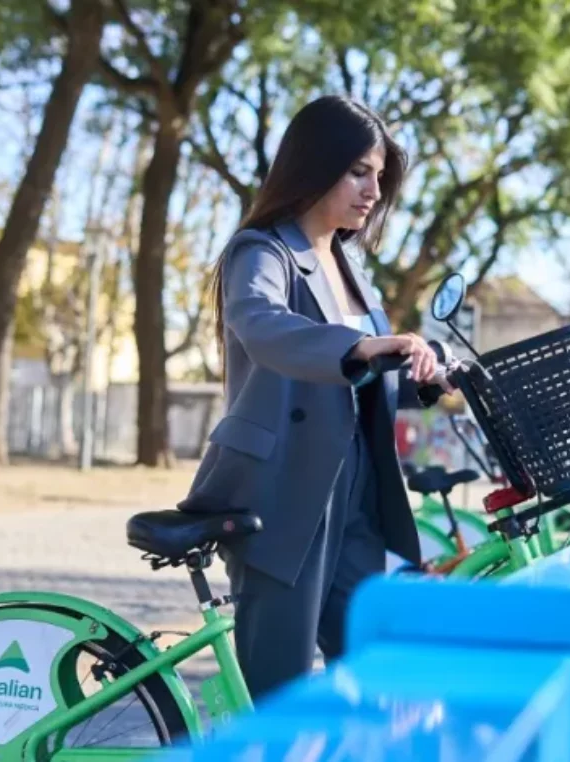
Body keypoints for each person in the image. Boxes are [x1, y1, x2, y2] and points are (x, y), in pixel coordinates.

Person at [180, 95, 451, 701]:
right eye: (359, 171)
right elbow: (263, 324)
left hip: (355, 498)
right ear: (314, 165)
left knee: (378, 674)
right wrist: (362, 347)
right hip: (284, 497)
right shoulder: (261, 252)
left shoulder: (347, 265)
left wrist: (423, 376)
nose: (373, 191)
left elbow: (359, 373)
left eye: (379, 177)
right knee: (283, 694)